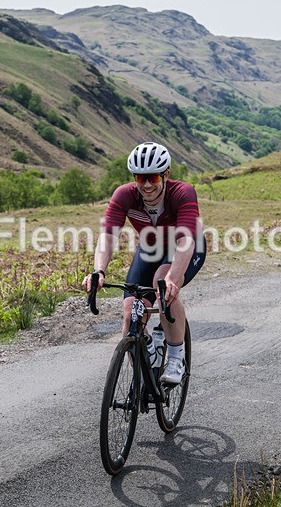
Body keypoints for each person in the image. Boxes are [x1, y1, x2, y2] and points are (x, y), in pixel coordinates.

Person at [82, 142, 205, 385]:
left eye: (152, 177)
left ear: (165, 175)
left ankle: (175, 358)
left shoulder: (183, 192)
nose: (147, 185)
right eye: (141, 177)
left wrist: (173, 278)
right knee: (130, 312)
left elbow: (186, 240)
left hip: (187, 248)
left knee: (162, 284)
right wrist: (99, 270)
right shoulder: (125, 194)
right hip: (150, 248)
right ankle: (145, 356)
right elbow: (108, 235)